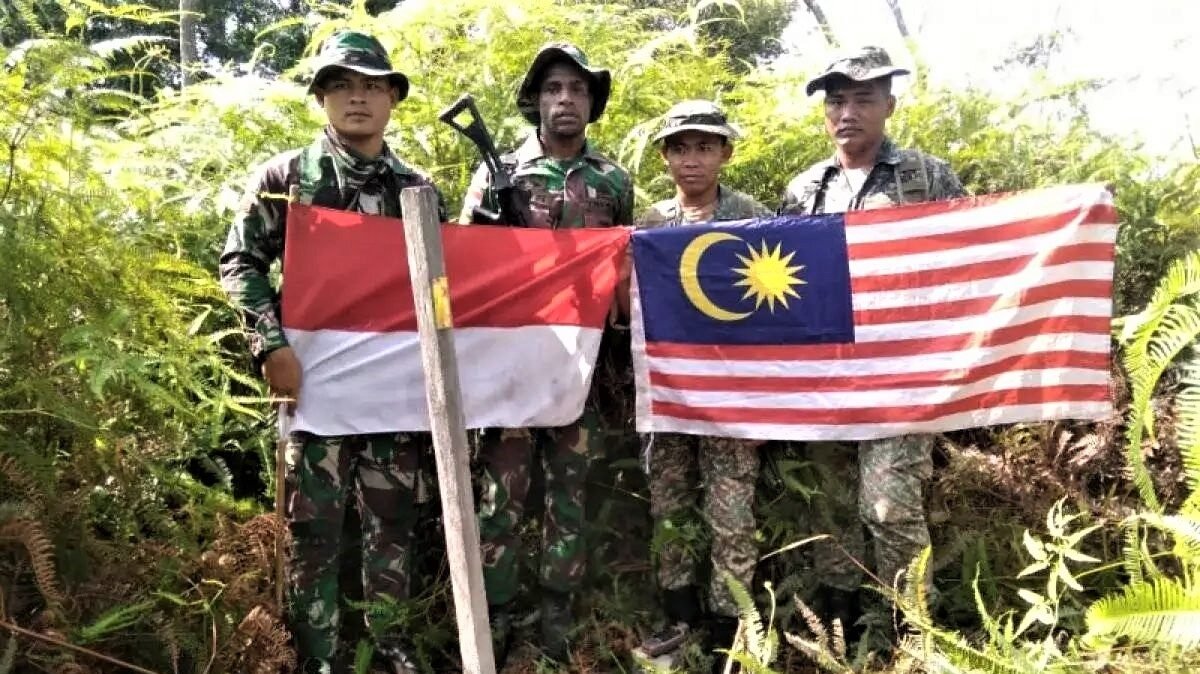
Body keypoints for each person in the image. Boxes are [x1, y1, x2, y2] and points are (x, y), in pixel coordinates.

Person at [219, 30, 444, 674]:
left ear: (393, 100)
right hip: (311, 382)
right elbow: (241, 261)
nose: (358, 99)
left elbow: (439, 285)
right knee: (312, 529)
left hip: (394, 389)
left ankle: (390, 647)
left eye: (373, 86)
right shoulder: (287, 177)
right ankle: (315, 655)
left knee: (393, 524)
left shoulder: (417, 187)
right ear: (321, 97)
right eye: (343, 85)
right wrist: (268, 346)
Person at [778, 45, 967, 638]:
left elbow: (969, 261)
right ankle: (843, 615)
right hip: (829, 370)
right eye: (836, 100)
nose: (847, 112)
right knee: (832, 502)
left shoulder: (926, 177)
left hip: (904, 371)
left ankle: (913, 625)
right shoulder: (805, 188)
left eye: (863, 98)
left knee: (887, 504)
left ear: (889, 103)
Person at [458, 42, 634, 663]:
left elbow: (623, 266)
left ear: (592, 103)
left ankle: (558, 610)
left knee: (570, 489)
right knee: (501, 493)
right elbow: (467, 269)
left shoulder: (612, 180)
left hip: (580, 371)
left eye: (579, 90)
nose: (566, 100)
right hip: (509, 364)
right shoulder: (499, 174)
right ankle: (500, 611)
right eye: (555, 89)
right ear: (537, 99)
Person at [633, 99, 771, 670]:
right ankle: (680, 617)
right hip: (668, 393)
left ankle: (729, 630)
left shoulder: (754, 217)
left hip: (733, 396)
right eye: (682, 147)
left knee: (732, 514)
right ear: (666, 156)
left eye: (706, 146)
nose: (693, 159)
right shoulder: (649, 223)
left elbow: (777, 305)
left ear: (725, 153)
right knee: (669, 507)